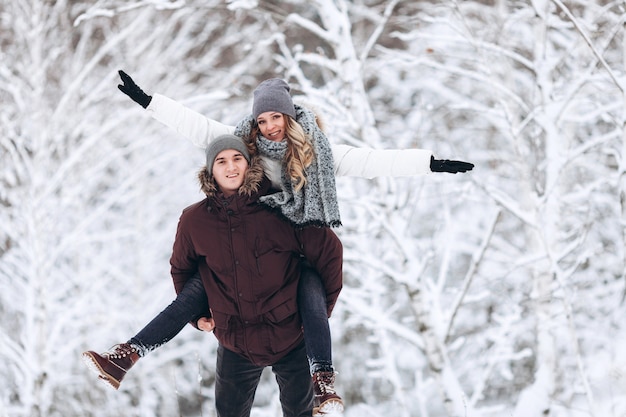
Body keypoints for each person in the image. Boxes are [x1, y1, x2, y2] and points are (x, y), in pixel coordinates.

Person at [83, 72, 472, 412]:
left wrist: (430, 163)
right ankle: (127, 355)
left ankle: (324, 380)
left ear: (290, 114)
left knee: (309, 289)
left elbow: (372, 162)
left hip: (291, 247)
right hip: (238, 243)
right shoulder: (243, 147)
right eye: (262, 119)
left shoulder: (316, 153)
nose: (269, 126)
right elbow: (199, 128)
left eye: (276, 117)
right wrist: (149, 101)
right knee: (199, 285)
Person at [89, 135, 344, 417]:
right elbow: (181, 269)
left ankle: (323, 379)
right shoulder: (195, 220)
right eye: (221, 161)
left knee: (301, 413)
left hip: (290, 334)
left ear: (249, 165)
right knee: (201, 279)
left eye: (237, 159)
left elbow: (329, 253)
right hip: (237, 337)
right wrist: (197, 317)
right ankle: (127, 354)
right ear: (211, 170)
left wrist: (318, 314)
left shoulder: (282, 207)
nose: (230, 167)